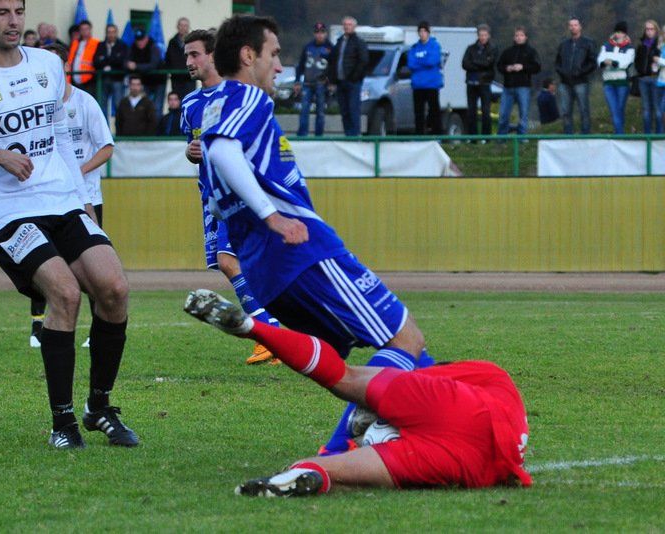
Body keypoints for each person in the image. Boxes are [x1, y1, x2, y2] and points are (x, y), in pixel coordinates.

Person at [197, 15, 436, 456]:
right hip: (302, 252)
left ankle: (429, 420)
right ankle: (341, 448)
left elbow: (214, 197)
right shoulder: (247, 97)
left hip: (265, 270)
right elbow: (226, 153)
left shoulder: (213, 108)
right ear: (248, 56)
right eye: (273, 54)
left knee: (360, 362)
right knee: (406, 339)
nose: (279, 66)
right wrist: (272, 216)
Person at [0, 0, 137, 450]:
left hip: (62, 201)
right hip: (7, 214)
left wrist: (81, 200)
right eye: (2, 12)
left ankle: (99, 407)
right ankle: (63, 423)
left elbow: (59, 135)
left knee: (115, 288)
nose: (13, 20)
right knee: (64, 293)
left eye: (18, 11)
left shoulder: (47, 64)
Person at [184, 290, 532, 496]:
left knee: (343, 376)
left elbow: (411, 374)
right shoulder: (492, 388)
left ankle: (252, 328)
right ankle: (307, 473)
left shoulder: (481, 379)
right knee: (333, 470)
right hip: (476, 464)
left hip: (460, 411)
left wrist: (378, 401)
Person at [180, 28, 279, 365]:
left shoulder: (238, 96)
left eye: (195, 54)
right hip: (210, 195)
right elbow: (195, 148)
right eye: (186, 55)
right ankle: (276, 333)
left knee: (228, 261)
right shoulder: (190, 104)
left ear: (213, 55)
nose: (189, 61)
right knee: (234, 263)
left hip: (237, 194)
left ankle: (269, 335)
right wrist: (191, 153)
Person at [28, 43, 116, 350]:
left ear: (65, 67)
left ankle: (95, 330)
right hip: (48, 198)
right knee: (42, 261)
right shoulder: (35, 105)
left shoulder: (85, 102)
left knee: (94, 266)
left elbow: (107, 147)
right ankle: (38, 327)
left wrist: (78, 171)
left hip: (85, 197)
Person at [555, 17, 597, 134]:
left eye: (575, 25)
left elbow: (593, 62)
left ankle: (585, 134)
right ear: (568, 27)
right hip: (565, 82)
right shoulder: (564, 44)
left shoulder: (588, 43)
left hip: (581, 81)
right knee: (565, 111)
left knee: (584, 109)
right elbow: (557, 62)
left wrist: (581, 72)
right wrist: (562, 72)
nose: (573, 27)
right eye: (571, 25)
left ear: (580, 26)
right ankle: (568, 135)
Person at [497, 26, 541, 136]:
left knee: (523, 114)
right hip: (508, 87)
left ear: (526, 37)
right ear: (514, 37)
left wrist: (523, 67)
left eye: (521, 35)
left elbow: (537, 67)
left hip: (523, 87)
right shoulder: (507, 52)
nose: (519, 38)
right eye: (517, 35)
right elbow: (499, 66)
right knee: (503, 114)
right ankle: (501, 138)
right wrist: (507, 68)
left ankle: (522, 138)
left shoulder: (531, 52)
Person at [328, 16, 368, 136]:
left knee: (353, 109)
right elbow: (333, 61)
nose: (347, 27)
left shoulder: (359, 42)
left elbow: (363, 61)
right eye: (345, 24)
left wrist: (355, 77)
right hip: (340, 82)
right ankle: (348, 135)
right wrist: (332, 80)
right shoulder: (339, 42)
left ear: (354, 27)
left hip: (353, 83)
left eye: (349, 24)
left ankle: (355, 136)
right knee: (344, 111)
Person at [294, 22, 332, 137]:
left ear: (326, 33)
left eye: (322, 32)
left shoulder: (330, 47)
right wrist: (297, 81)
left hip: (322, 83)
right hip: (307, 82)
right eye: (317, 32)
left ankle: (319, 135)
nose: (319, 35)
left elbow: (333, 66)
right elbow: (301, 65)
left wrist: (331, 82)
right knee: (304, 109)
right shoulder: (308, 47)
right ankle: (302, 134)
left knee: (320, 111)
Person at [598, 22, 635, 134]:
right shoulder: (606, 46)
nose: (618, 34)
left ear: (625, 34)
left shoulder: (630, 48)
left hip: (622, 84)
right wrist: (607, 62)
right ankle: (620, 135)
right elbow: (600, 60)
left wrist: (612, 62)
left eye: (621, 32)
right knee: (614, 110)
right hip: (608, 83)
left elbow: (625, 63)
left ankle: (619, 134)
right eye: (617, 32)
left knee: (619, 110)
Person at [462, 24, 497, 136]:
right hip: (471, 83)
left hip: (484, 83)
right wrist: (480, 63)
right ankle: (473, 137)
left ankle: (486, 137)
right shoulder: (470, 48)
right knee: (471, 111)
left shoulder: (492, 49)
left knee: (486, 111)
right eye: (481, 35)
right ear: (478, 35)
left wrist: (474, 62)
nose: (483, 37)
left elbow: (488, 63)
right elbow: (465, 64)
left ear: (488, 36)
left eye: (485, 35)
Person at [408, 21, 443, 135]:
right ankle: (419, 136)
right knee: (418, 113)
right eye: (420, 31)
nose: (422, 34)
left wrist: (420, 62)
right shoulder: (414, 48)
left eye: (424, 31)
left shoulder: (435, 46)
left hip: (431, 84)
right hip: (418, 85)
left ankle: (437, 135)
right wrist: (424, 62)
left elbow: (432, 61)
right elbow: (411, 64)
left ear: (428, 32)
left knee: (434, 111)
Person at [128, 28, 165, 118]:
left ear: (146, 38)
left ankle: (157, 127)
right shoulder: (133, 47)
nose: (140, 42)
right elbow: (126, 61)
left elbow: (153, 65)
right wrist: (128, 64)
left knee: (157, 107)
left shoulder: (154, 47)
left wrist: (136, 66)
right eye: (138, 40)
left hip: (158, 80)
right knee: (144, 106)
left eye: (142, 40)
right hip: (145, 81)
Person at [94, 23, 129, 119]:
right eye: (109, 32)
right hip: (103, 79)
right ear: (106, 33)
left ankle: (120, 128)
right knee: (102, 107)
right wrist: (111, 61)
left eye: (113, 32)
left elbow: (122, 62)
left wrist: (105, 60)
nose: (111, 34)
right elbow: (96, 62)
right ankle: (104, 128)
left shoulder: (122, 46)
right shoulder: (100, 45)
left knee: (119, 106)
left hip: (117, 79)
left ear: (117, 33)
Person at [635, 21, 663, 134]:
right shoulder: (641, 45)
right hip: (643, 79)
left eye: (652, 29)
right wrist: (640, 71)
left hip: (656, 79)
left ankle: (659, 135)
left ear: (656, 30)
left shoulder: (660, 45)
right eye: (647, 29)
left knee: (657, 109)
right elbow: (637, 61)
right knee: (646, 110)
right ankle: (647, 135)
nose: (649, 31)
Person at [165, 17, 196, 99]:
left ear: (188, 27)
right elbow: (168, 58)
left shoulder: (193, 42)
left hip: (189, 78)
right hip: (176, 78)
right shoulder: (172, 42)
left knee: (190, 99)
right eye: (181, 25)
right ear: (177, 27)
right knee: (177, 101)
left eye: (185, 25)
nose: (183, 28)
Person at [67, 19, 100, 96]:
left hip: (89, 81)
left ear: (90, 30)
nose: (84, 31)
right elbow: (70, 60)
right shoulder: (75, 43)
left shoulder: (96, 43)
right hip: (74, 80)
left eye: (86, 29)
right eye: (82, 29)